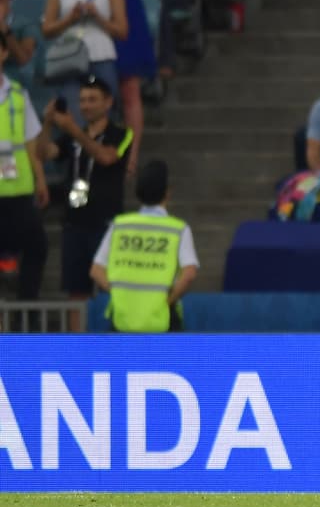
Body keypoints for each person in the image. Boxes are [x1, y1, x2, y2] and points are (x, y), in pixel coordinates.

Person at [37, 75, 132, 298]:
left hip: (106, 225)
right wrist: (48, 123)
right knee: (76, 293)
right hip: (75, 224)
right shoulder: (73, 135)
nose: (86, 106)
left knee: (109, 290)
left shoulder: (121, 133)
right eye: (82, 100)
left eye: (92, 99)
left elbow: (106, 157)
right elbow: (43, 153)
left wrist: (73, 130)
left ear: (108, 102)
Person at [83, 0, 154, 171]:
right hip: (96, 11)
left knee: (129, 88)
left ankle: (131, 155)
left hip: (126, 12)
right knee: (98, 85)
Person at [91, 159, 198, 332]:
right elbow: (189, 274)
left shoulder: (120, 225)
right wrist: (167, 302)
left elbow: (96, 271)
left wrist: (121, 296)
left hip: (123, 321)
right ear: (167, 192)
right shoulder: (178, 229)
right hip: (162, 322)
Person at [40, 0, 128, 122]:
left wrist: (98, 17)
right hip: (69, 59)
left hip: (101, 55)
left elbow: (122, 31)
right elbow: (47, 30)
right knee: (74, 115)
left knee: (105, 116)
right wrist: (69, 19)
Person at [0, 28, 50, 301]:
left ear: (4, 53)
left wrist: (40, 179)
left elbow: (30, 140)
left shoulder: (18, 95)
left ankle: (26, 310)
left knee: (37, 247)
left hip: (18, 189)